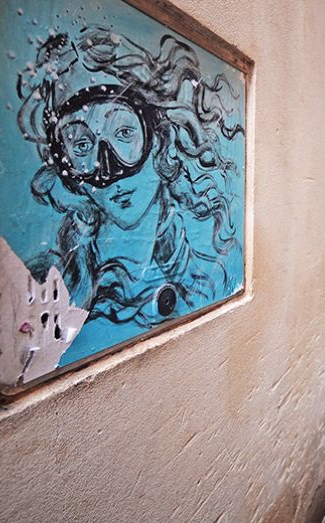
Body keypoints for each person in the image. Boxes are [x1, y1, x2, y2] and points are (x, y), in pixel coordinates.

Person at [18, 26, 244, 329]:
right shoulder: (50, 289)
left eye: (124, 133)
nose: (108, 170)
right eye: (82, 145)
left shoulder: (211, 264)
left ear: (159, 141)